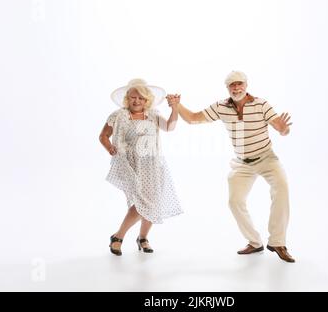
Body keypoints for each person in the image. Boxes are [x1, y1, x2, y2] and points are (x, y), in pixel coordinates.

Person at [167, 71, 295, 262]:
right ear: (227, 88)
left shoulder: (261, 104)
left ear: (246, 85)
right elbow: (193, 118)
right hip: (242, 162)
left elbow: (280, 127)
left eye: (239, 84)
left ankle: (277, 241)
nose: (236, 88)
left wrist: (284, 129)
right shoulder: (221, 106)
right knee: (234, 202)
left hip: (267, 158)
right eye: (232, 85)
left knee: (282, 188)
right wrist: (177, 106)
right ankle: (255, 242)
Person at [99, 79, 183, 256]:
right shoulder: (119, 116)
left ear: (147, 100)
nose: (136, 101)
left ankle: (143, 238)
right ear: (127, 99)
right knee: (141, 203)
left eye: (140, 98)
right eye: (132, 97)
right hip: (131, 165)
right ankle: (118, 236)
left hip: (153, 165)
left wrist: (175, 108)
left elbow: (170, 127)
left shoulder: (153, 115)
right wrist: (110, 147)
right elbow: (103, 136)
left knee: (152, 202)